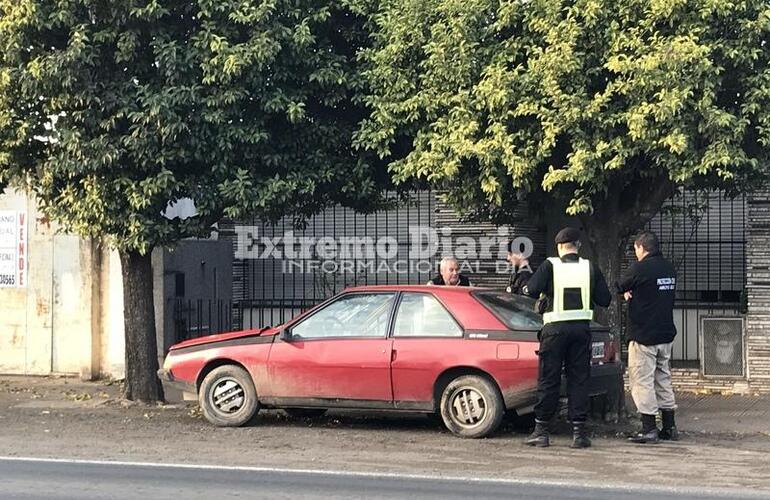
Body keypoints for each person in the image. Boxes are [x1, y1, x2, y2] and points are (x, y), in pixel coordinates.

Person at [524, 227, 611, 449]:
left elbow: (531, 290)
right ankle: (579, 433)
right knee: (579, 380)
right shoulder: (589, 267)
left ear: (559, 247)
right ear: (578, 246)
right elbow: (605, 299)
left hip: (554, 332)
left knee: (549, 379)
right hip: (581, 331)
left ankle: (541, 431)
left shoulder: (550, 265)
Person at [616, 231, 678, 444]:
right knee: (663, 379)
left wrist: (626, 292)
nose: (636, 254)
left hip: (644, 335)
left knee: (641, 380)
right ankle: (669, 427)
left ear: (641, 247)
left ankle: (648, 428)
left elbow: (619, 286)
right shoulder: (669, 268)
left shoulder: (639, 269)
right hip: (665, 334)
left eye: (636, 249)